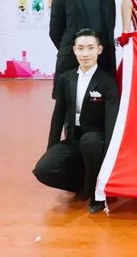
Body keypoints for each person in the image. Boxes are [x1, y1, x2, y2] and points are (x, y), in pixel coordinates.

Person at [33, 29, 120, 214]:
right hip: (73, 138)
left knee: (90, 142)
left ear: (99, 49)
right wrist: (52, 147)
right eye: (80, 48)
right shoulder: (66, 79)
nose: (85, 53)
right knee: (43, 169)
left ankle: (97, 193)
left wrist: (109, 158)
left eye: (90, 48)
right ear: (74, 50)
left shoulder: (107, 82)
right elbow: (58, 115)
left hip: (96, 139)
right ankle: (84, 185)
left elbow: (111, 123)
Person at [49, 0, 116, 98]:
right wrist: (77, 50)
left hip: (103, 60)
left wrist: (96, 51)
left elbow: (110, 27)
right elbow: (55, 32)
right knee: (69, 104)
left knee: (103, 103)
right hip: (72, 61)